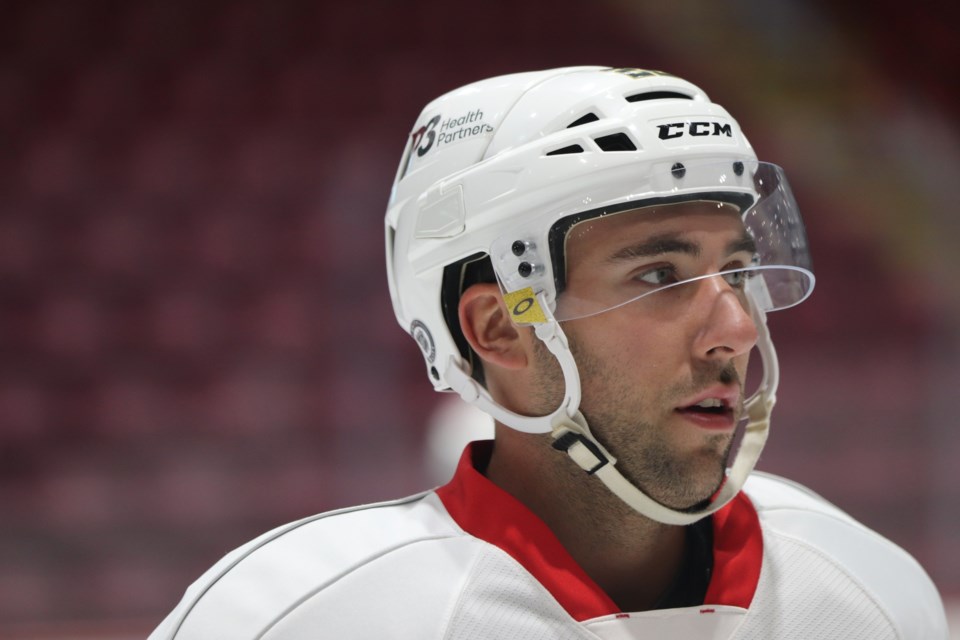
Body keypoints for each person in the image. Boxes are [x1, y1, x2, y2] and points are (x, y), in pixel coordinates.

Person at [150, 66, 949, 639]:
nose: (734, 327)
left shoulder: (868, 591)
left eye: (736, 271)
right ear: (498, 329)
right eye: (660, 275)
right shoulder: (298, 618)